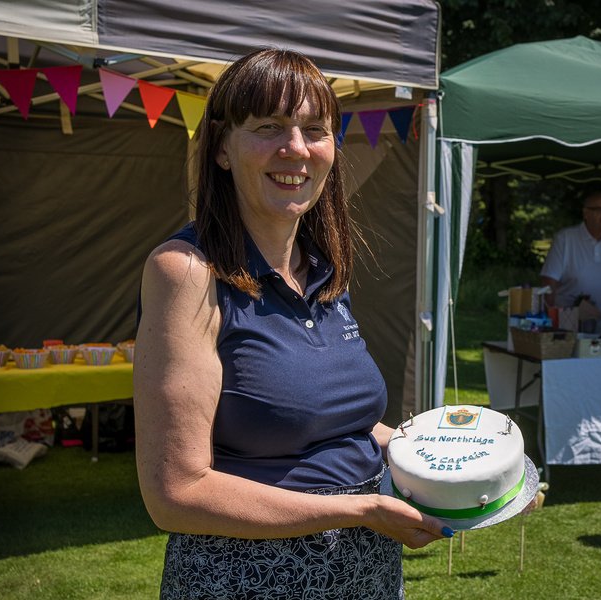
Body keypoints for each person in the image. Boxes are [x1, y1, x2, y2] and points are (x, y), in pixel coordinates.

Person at [133, 48, 452, 600]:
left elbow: (338, 426)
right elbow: (175, 493)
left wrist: (431, 453)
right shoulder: (186, 274)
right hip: (247, 578)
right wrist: (359, 509)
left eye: (315, 129)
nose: (297, 149)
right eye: (269, 127)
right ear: (222, 148)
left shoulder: (323, 269)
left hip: (365, 573)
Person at [541, 191, 601, 331]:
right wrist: (548, 321)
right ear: (585, 213)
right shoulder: (565, 238)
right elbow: (549, 282)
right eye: (599, 210)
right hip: (569, 326)